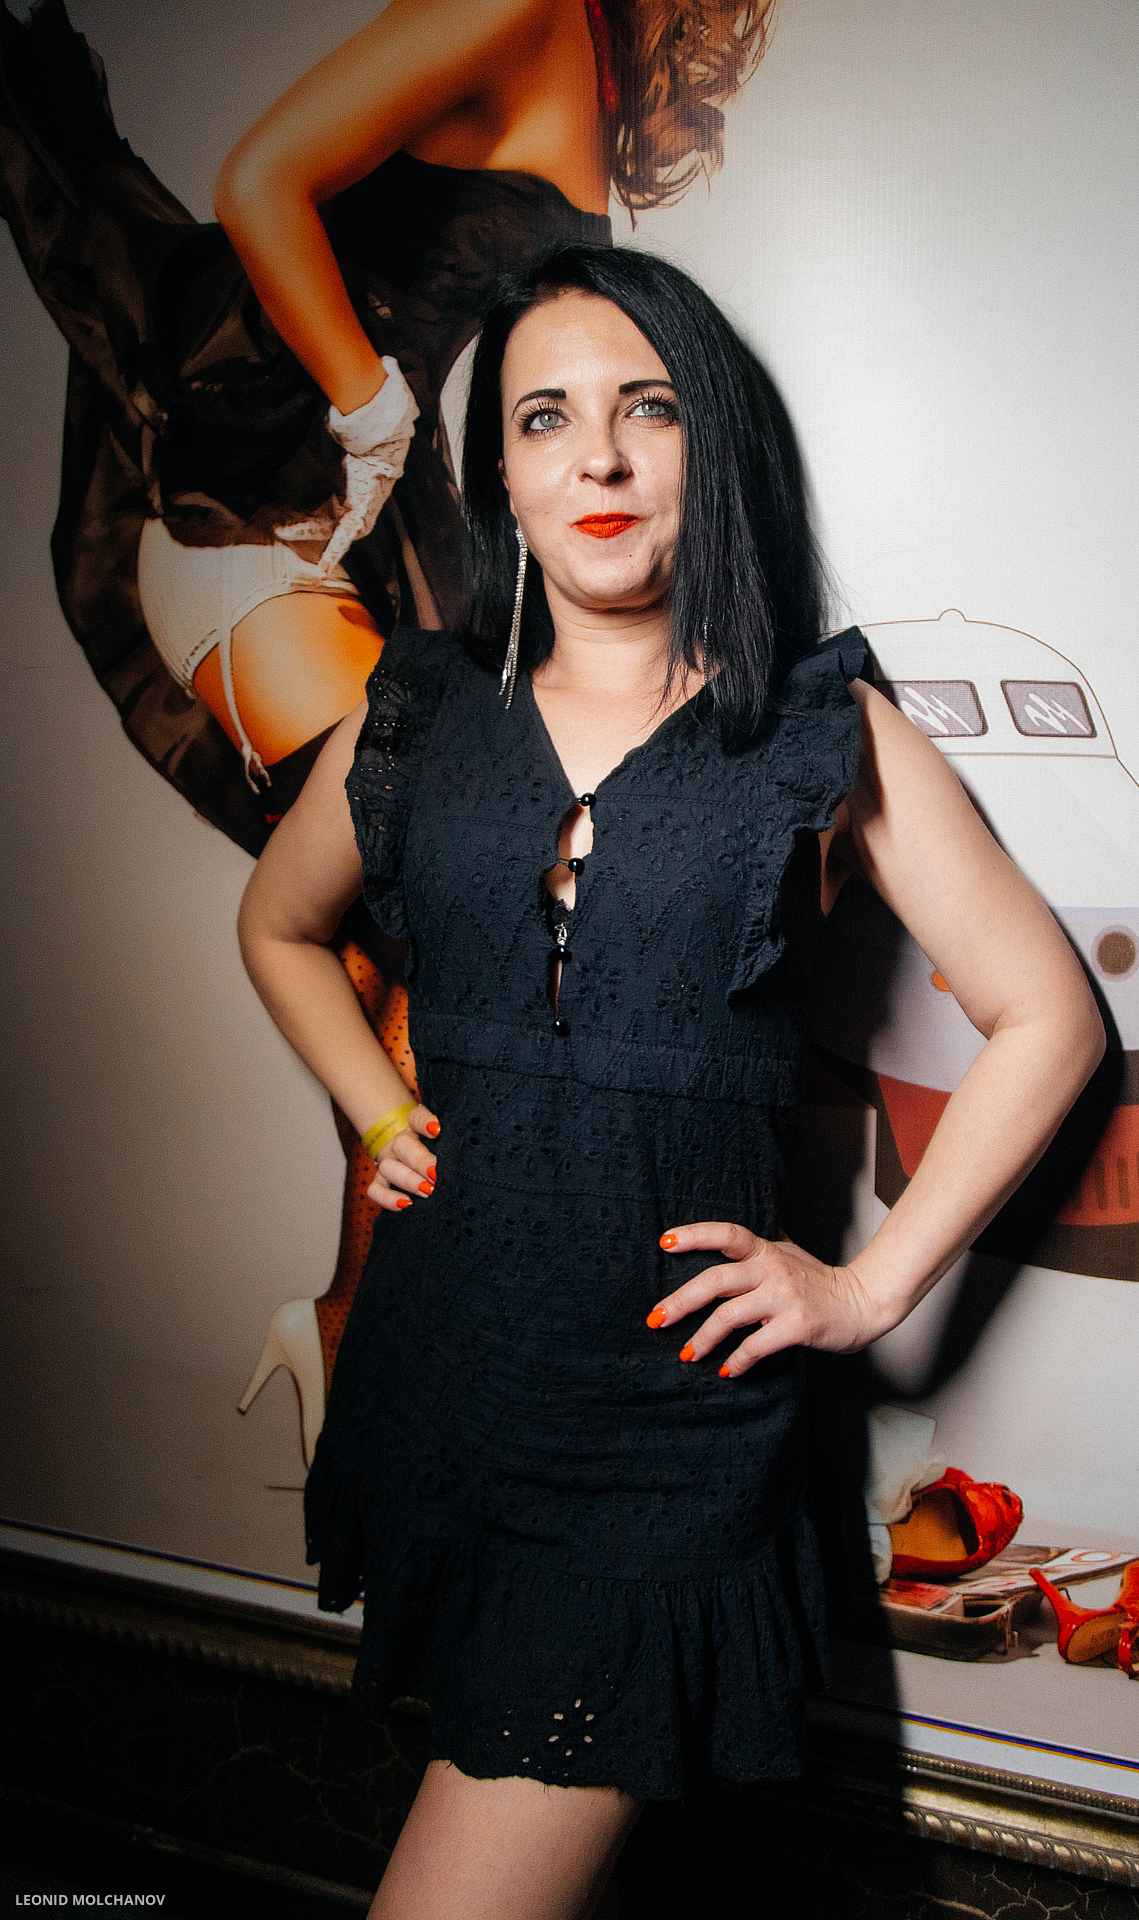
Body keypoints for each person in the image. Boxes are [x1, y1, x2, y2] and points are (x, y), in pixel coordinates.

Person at [238, 241, 1105, 1918]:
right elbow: (277, 926)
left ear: (710, 441)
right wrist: (377, 1106)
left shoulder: (819, 728)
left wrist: (867, 1288)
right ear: (499, 477)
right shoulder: (417, 713)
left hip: (663, 1430)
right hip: (448, 1377)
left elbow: (1050, 1018)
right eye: (545, 418)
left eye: (646, 408)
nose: (600, 459)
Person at [0, 0, 775, 1457]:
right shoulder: (521, 5)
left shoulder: (592, 72)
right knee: (454, 923)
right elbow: (260, 180)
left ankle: (362, 1337)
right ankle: (395, 1352)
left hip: (371, 556)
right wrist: (369, 411)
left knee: (407, 952)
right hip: (265, 528)